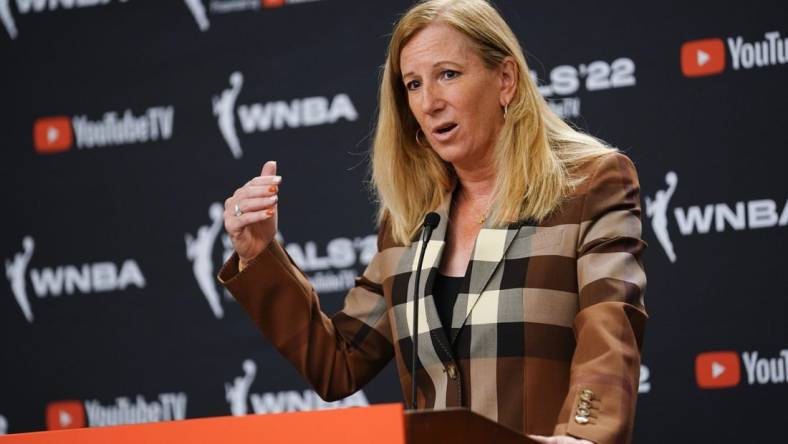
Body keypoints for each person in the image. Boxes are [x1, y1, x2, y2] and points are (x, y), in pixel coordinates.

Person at [218, 1, 647, 443]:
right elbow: (340, 363)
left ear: (505, 80)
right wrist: (258, 253)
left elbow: (609, 325)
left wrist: (582, 438)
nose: (430, 102)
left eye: (448, 74)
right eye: (414, 84)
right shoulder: (408, 218)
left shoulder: (589, 182)